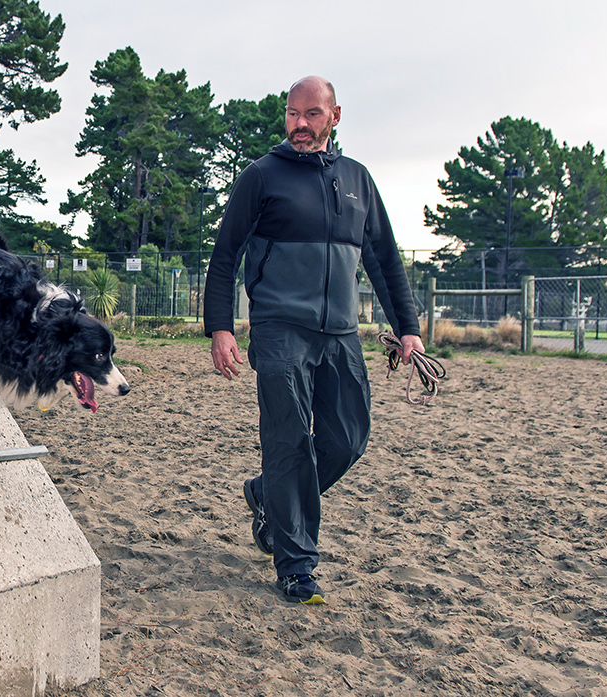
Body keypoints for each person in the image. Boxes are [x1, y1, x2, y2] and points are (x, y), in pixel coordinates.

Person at [202, 76, 423, 605]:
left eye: (312, 115)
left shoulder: (358, 180)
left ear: (335, 116)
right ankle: (296, 564)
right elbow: (225, 254)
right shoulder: (261, 176)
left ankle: (266, 497)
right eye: (292, 114)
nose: (300, 125)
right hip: (280, 329)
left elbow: (384, 261)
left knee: (349, 438)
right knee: (289, 442)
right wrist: (221, 328)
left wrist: (409, 328)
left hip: (340, 333)